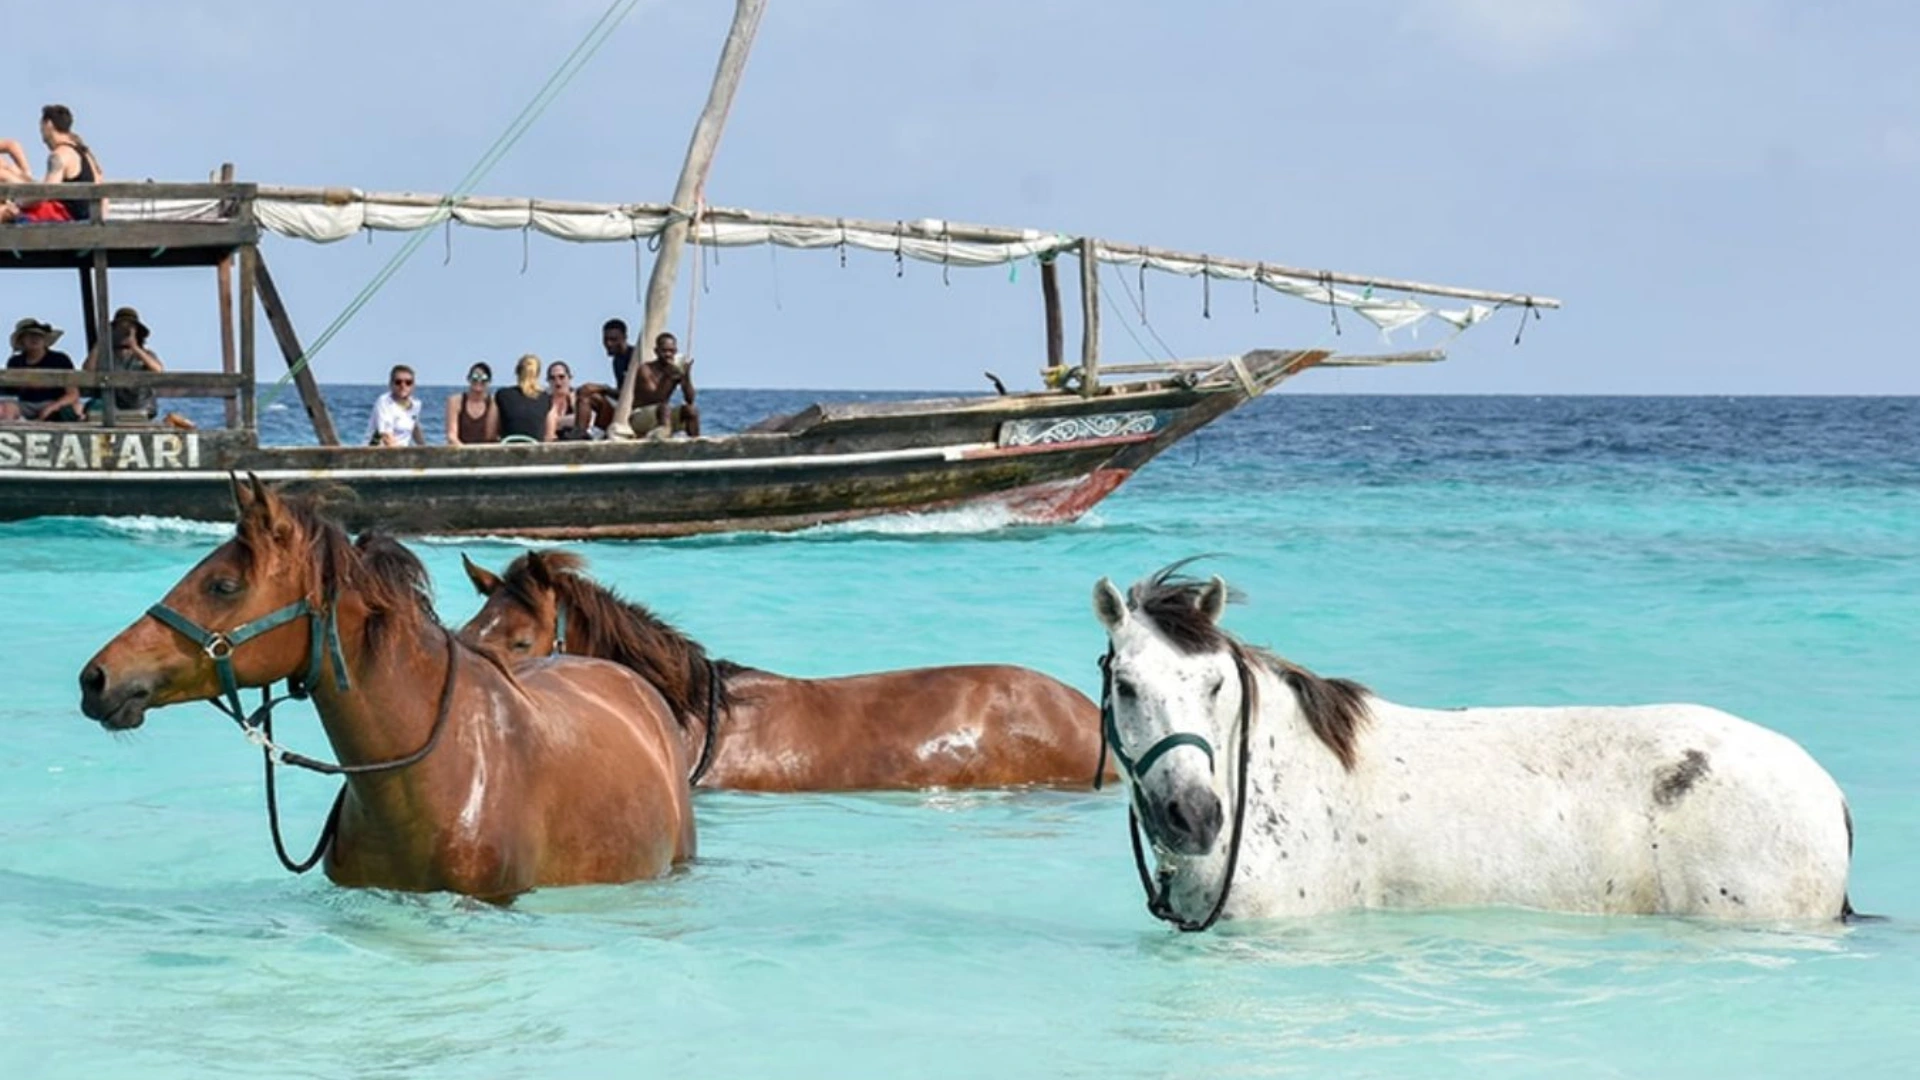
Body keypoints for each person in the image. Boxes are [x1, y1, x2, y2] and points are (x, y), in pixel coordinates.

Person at [0, 105, 105, 224]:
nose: (40, 132)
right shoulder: (86, 154)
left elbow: (47, 192)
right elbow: (102, 191)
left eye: (41, 126)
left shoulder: (60, 155)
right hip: (86, 218)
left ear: (48, 124)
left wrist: (19, 203)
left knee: (5, 212)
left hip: (64, 218)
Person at [82, 307, 164, 419]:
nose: (123, 333)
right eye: (119, 329)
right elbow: (87, 371)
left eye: (128, 329)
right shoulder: (105, 356)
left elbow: (158, 370)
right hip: (112, 407)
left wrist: (134, 347)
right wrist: (100, 343)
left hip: (141, 407)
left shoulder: (146, 355)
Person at [4, 318, 81, 422]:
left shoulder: (60, 359)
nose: (35, 339)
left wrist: (53, 407)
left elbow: (72, 394)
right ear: (22, 340)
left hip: (54, 403)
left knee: (73, 410)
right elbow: (10, 396)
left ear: (45, 340)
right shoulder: (15, 362)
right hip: (24, 405)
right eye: (30, 335)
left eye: (39, 335)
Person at [632, 331, 700, 437]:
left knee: (691, 410)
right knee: (664, 408)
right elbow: (655, 399)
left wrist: (686, 375)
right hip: (640, 416)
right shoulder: (645, 369)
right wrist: (668, 376)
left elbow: (690, 399)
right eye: (664, 351)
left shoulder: (675, 368)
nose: (668, 354)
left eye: (671, 351)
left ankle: (696, 446)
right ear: (656, 351)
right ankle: (665, 443)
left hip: (663, 415)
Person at [574, 317, 633, 434]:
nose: (608, 344)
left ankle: (598, 432)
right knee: (586, 393)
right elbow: (620, 393)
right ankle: (580, 432)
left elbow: (630, 395)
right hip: (620, 405)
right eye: (606, 340)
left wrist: (603, 388)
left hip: (632, 411)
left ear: (625, 338)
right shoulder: (617, 361)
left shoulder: (634, 357)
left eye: (614, 340)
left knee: (590, 391)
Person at [495, 354, 554, 442]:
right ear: (538, 374)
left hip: (508, 449)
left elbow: (492, 431)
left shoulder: (502, 395)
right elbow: (549, 435)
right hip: (536, 452)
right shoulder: (546, 399)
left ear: (517, 372)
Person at [366, 364, 425, 446]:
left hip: (402, 451)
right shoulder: (384, 402)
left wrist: (424, 448)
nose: (403, 386)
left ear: (413, 385)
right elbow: (386, 435)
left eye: (408, 382)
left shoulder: (416, 404)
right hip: (379, 450)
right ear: (391, 384)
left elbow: (415, 427)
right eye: (398, 382)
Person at [445, 361, 499, 445]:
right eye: (475, 377)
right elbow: (451, 436)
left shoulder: (494, 403)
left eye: (484, 379)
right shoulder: (455, 402)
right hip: (461, 453)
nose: (479, 381)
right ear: (468, 379)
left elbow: (493, 436)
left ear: (489, 381)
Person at [546, 360, 589, 440]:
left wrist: (554, 422)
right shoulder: (544, 401)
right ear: (548, 381)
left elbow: (588, 422)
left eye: (561, 377)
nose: (558, 382)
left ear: (569, 378)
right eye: (552, 378)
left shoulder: (579, 398)